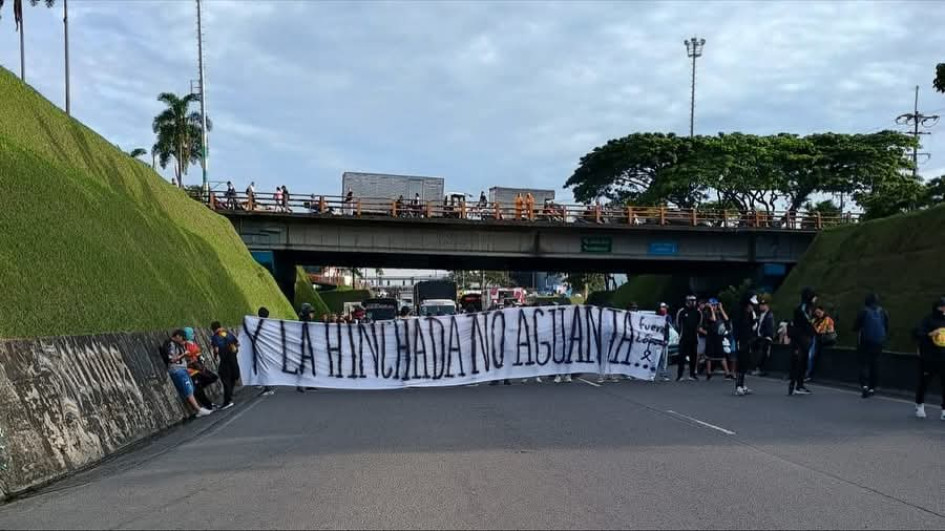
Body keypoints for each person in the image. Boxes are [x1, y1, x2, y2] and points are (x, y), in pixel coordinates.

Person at [162, 330, 213, 418]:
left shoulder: (178, 344)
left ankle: (197, 409)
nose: (183, 340)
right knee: (188, 389)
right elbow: (171, 359)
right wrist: (183, 355)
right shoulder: (170, 344)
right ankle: (198, 409)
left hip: (183, 369)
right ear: (177, 336)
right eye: (182, 338)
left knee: (191, 388)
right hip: (177, 370)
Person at [912, 297, 945, 420]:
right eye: (942, 307)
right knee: (924, 383)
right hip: (929, 358)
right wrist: (930, 334)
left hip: (943, 358)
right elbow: (916, 333)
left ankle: (944, 410)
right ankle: (919, 405)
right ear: (937, 307)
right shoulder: (928, 320)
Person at [852, 293, 888, 398]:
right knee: (875, 364)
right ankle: (873, 387)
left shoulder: (863, 311)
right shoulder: (883, 312)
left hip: (865, 342)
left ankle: (865, 386)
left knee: (864, 364)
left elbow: (855, 326)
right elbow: (886, 325)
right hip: (879, 342)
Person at [788, 287, 817, 395]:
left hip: (804, 338)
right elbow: (807, 322)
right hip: (800, 339)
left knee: (802, 362)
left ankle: (799, 385)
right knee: (798, 362)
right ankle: (794, 385)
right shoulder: (802, 309)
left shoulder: (808, 308)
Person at [183, 327, 218, 410]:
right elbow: (187, 357)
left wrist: (200, 358)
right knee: (199, 390)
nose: (193, 335)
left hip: (199, 367)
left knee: (213, 377)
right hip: (192, 370)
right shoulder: (185, 345)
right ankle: (208, 406)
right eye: (191, 334)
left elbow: (198, 353)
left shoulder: (193, 343)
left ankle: (199, 391)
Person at [210, 321, 240, 410]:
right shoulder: (227, 333)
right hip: (233, 359)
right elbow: (237, 344)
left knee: (225, 378)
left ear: (213, 329)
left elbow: (216, 350)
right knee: (233, 377)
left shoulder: (215, 337)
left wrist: (215, 357)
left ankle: (227, 401)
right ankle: (229, 396)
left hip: (225, 360)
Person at [734, 295, 758, 396]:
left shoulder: (750, 314)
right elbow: (737, 327)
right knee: (741, 361)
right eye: (750, 305)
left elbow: (754, 324)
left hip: (748, 340)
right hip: (741, 340)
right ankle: (738, 385)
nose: (752, 307)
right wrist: (738, 339)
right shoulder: (740, 313)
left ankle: (742, 384)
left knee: (745, 362)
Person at [703, 298, 732, 380]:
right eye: (713, 305)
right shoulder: (707, 314)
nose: (714, 307)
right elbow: (714, 319)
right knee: (709, 355)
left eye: (715, 305)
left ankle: (727, 373)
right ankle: (709, 373)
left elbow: (726, 319)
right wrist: (711, 310)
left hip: (719, 336)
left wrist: (721, 308)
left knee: (721, 355)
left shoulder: (719, 313)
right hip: (711, 336)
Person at [675, 295, 702, 381]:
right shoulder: (682, 311)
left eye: (694, 300)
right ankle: (680, 375)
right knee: (681, 357)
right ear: (687, 301)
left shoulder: (697, 312)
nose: (693, 302)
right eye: (691, 300)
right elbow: (677, 323)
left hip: (694, 337)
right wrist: (681, 332)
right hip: (684, 337)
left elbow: (699, 323)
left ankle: (692, 374)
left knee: (693, 357)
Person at [808, 305, 836, 381]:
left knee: (811, 356)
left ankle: (808, 373)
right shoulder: (815, 320)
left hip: (822, 339)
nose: (818, 314)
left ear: (823, 311)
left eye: (819, 312)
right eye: (816, 312)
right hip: (816, 339)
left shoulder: (827, 319)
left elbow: (828, 330)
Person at [753, 297, 776, 376]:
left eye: (763, 305)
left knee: (762, 352)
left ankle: (760, 368)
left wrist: (768, 336)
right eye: (761, 305)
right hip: (759, 336)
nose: (761, 306)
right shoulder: (760, 315)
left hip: (766, 337)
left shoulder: (769, 315)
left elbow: (770, 327)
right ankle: (757, 367)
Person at [257, 307, 276, 397]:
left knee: (263, 368)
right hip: (268, 349)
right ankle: (267, 386)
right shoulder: (269, 324)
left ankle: (267, 388)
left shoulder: (258, 323)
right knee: (266, 367)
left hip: (262, 349)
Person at [656, 302, 674, 382]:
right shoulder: (655, 317)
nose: (664, 309)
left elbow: (668, 327)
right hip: (656, 340)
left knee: (664, 358)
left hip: (664, 340)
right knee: (655, 358)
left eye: (665, 308)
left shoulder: (668, 317)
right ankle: (653, 374)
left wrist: (666, 339)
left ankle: (663, 374)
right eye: (663, 307)